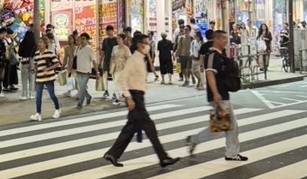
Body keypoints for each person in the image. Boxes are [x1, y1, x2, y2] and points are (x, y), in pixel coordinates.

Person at [104, 34, 178, 169]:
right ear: (139, 45)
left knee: (130, 128)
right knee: (150, 128)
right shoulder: (133, 60)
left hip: (138, 97)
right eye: (146, 43)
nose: (148, 45)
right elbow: (122, 79)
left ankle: (112, 153)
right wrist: (129, 97)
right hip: (135, 98)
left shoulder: (141, 59)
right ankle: (163, 157)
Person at [186, 30, 247, 162]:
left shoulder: (220, 54)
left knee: (226, 126)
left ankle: (230, 152)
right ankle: (230, 152)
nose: (226, 41)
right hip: (218, 96)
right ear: (216, 39)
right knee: (226, 126)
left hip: (222, 94)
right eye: (223, 38)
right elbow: (209, 74)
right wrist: (215, 93)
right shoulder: (212, 55)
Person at [30, 36, 61, 122]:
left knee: (52, 95)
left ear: (45, 44)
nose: (39, 44)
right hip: (39, 77)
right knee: (38, 96)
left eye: (41, 42)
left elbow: (57, 64)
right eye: (39, 42)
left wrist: (48, 68)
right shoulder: (36, 54)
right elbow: (36, 65)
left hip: (49, 77)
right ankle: (38, 113)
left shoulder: (50, 53)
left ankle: (57, 109)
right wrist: (34, 70)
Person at [73, 32, 97, 109]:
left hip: (86, 72)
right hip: (79, 71)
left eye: (84, 39)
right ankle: (88, 97)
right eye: (81, 39)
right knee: (82, 87)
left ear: (87, 40)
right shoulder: (77, 48)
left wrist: (97, 72)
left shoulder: (89, 49)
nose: (82, 40)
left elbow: (94, 61)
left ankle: (80, 103)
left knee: (82, 87)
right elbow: (74, 59)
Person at [109, 34, 131, 106]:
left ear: (123, 40)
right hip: (115, 68)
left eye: (119, 38)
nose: (117, 40)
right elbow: (112, 57)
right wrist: (111, 66)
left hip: (123, 68)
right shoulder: (114, 48)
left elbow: (129, 59)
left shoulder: (126, 49)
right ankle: (117, 98)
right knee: (116, 83)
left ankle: (124, 96)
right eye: (117, 39)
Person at [100, 25, 118, 99]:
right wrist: (100, 60)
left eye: (110, 30)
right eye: (108, 30)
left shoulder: (116, 39)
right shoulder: (105, 40)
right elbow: (103, 51)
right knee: (105, 75)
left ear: (113, 31)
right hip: (106, 60)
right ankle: (106, 90)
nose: (109, 32)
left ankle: (115, 92)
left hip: (113, 60)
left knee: (114, 76)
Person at [18, 29, 36, 101]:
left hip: (25, 61)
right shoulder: (34, 44)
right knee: (32, 78)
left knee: (24, 78)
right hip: (32, 61)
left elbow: (20, 53)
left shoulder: (23, 43)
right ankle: (32, 93)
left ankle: (24, 94)